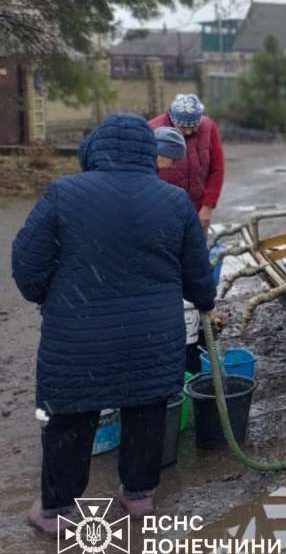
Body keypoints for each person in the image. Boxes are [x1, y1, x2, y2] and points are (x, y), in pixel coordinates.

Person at [13, 114, 216, 535]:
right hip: (152, 336)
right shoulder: (173, 200)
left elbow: (27, 266)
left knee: (70, 415)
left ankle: (56, 512)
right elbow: (198, 272)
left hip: (77, 338)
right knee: (146, 408)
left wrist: (48, 297)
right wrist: (205, 303)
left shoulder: (63, 193)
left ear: (93, 151)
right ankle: (138, 495)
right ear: (148, 152)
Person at [155, 126, 211, 374]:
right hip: (155, 304)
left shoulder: (71, 191)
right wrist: (206, 302)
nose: (173, 165)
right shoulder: (172, 199)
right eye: (172, 159)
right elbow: (194, 262)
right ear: (160, 154)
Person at [149, 93, 224, 229]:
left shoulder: (208, 127)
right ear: (172, 120)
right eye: (183, 128)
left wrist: (208, 206)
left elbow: (217, 169)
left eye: (194, 126)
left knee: (197, 248)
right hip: (162, 210)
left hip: (197, 210)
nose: (189, 132)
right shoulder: (153, 130)